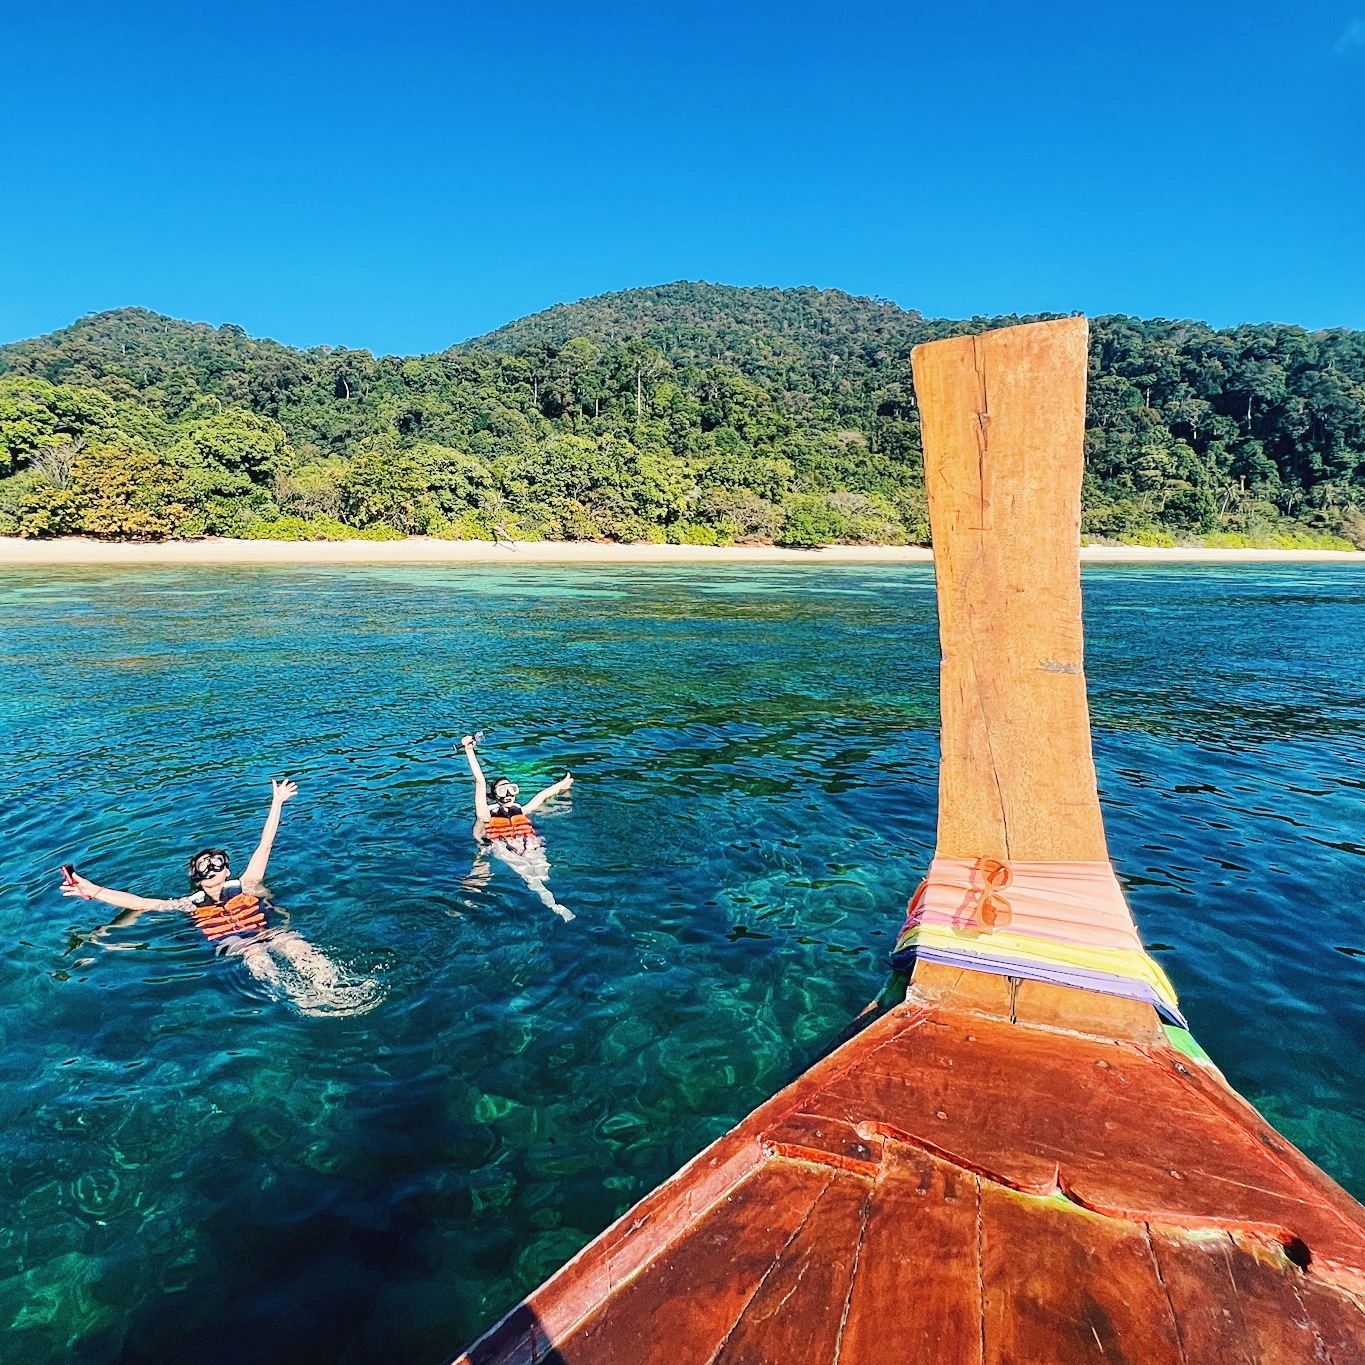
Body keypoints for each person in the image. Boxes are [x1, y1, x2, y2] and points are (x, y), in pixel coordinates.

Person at [60, 779, 375, 1016]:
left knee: (294, 944)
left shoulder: (247, 884)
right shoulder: (189, 903)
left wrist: (277, 802)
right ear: (195, 877)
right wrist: (93, 889)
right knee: (257, 959)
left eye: (217, 864)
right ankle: (298, 997)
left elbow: (264, 845)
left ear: (227, 870)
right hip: (237, 945)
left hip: (266, 931)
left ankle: (337, 986)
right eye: (203, 867)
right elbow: (140, 903)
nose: (211, 870)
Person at [459, 734, 574, 921]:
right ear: (494, 795)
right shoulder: (485, 814)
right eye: (502, 790)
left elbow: (541, 796)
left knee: (543, 875)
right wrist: (469, 750)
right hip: (503, 847)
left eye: (511, 788)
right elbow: (480, 781)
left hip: (530, 844)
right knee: (533, 879)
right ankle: (556, 907)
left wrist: (562, 785)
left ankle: (550, 900)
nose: (508, 793)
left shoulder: (520, 809)